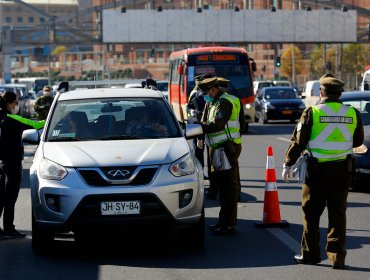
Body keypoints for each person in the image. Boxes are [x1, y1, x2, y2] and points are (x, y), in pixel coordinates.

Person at [282, 73, 364, 269]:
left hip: (317, 172)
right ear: (340, 94)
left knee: (311, 214)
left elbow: (298, 142)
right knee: (338, 215)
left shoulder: (312, 112)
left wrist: (287, 163)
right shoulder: (352, 113)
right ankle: (337, 257)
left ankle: (310, 254)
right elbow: (358, 142)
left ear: (322, 92)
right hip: (343, 172)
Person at [199, 77, 246, 236]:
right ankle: (223, 221)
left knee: (228, 189)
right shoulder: (214, 102)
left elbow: (216, 125)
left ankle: (229, 224)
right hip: (219, 148)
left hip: (225, 148)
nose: (205, 95)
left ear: (213, 89)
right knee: (223, 188)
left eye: (206, 92)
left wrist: (198, 128)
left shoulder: (223, 103)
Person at [0, 91, 45, 238]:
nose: (17, 105)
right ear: (9, 104)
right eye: (16, 103)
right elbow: (36, 124)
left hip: (1, 162)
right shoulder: (14, 119)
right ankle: (9, 229)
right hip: (12, 163)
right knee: (10, 197)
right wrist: (54, 117)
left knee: (1, 197)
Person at [187, 73, 213, 169]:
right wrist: (192, 111)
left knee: (211, 153)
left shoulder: (215, 94)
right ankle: (200, 173)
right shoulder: (196, 93)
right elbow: (189, 106)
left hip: (211, 127)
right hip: (198, 127)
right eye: (204, 81)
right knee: (198, 152)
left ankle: (212, 175)